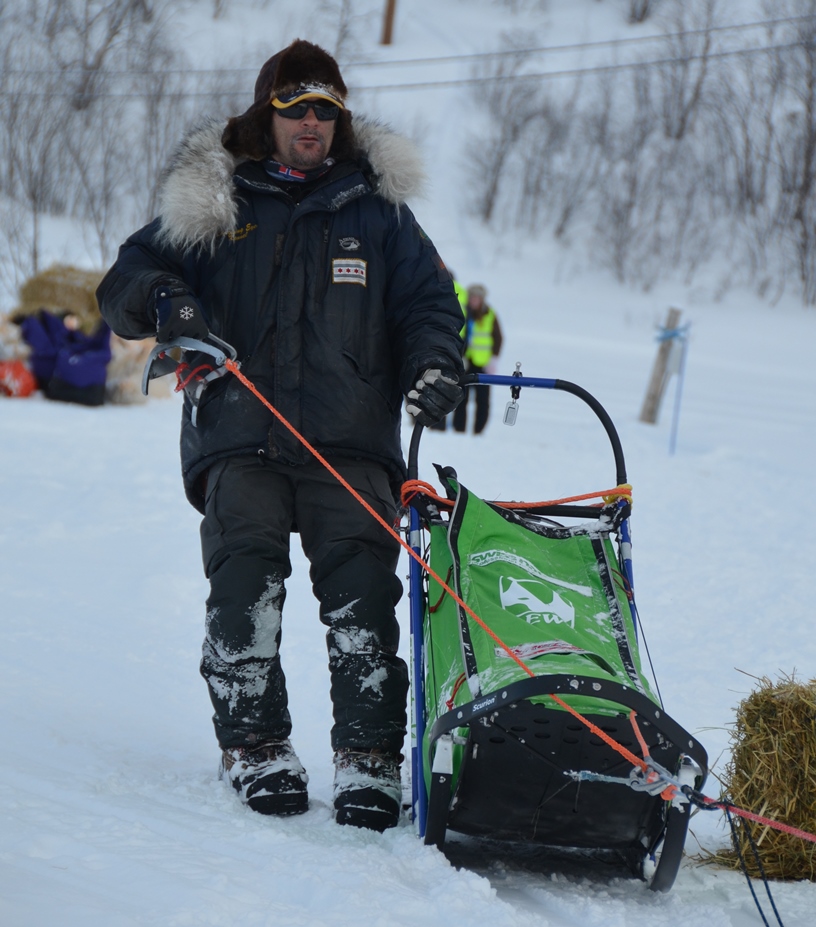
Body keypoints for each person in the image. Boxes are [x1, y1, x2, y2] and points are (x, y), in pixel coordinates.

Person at [96, 38, 464, 832]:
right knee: (245, 596)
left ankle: (369, 759)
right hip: (240, 433)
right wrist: (167, 299)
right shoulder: (217, 198)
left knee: (365, 608)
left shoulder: (379, 211)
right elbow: (124, 279)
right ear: (268, 114)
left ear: (340, 120)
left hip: (350, 442)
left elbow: (431, 305)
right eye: (296, 107)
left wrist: (435, 363)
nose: (311, 123)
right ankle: (255, 745)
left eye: (326, 110)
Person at [452, 283, 503, 435]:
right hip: (466, 362)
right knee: (461, 398)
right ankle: (459, 429)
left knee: (483, 400)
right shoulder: (463, 313)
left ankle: (478, 431)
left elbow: (498, 338)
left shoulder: (489, 314)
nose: (474, 300)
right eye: (472, 297)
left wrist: (493, 359)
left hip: (483, 364)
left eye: (477, 298)